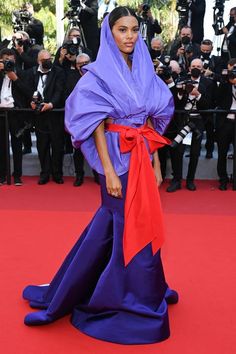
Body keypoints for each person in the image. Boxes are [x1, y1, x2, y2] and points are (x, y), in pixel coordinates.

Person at [22, 7, 178, 344]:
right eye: (122, 30)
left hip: (141, 156)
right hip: (117, 159)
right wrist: (107, 170)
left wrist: (156, 164)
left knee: (140, 221)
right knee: (120, 222)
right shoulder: (96, 74)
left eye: (135, 29)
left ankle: (147, 288)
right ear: (110, 33)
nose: (130, 36)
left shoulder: (146, 69)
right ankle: (118, 297)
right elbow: (96, 125)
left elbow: (151, 121)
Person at [0, 48, 31, 186]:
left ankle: (17, 175)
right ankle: (2, 175)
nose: (8, 60)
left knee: (17, 145)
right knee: (1, 145)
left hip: (16, 112)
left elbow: (28, 92)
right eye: (5, 57)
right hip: (1, 113)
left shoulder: (22, 73)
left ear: (15, 59)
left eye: (10, 57)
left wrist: (15, 78)